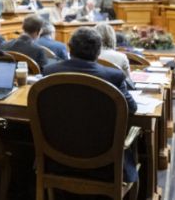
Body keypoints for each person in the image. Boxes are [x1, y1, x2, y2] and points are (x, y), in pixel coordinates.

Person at [43, 28, 137, 183]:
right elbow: (132, 109)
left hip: (57, 157)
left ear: (69, 48)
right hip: (105, 162)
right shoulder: (113, 76)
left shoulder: (49, 72)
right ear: (99, 51)